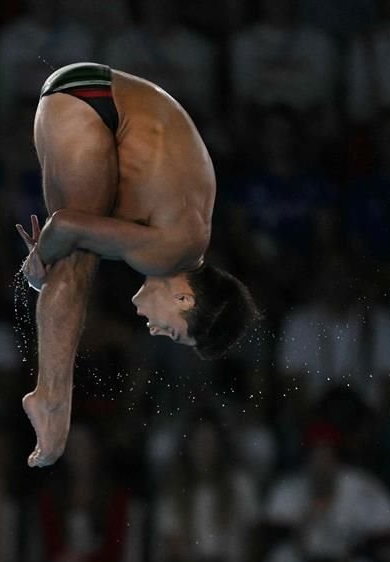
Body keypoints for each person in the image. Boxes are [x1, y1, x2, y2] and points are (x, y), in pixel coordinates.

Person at [16, 62, 258, 467]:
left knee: (74, 257)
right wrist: (43, 258)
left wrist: (47, 264)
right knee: (77, 261)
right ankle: (54, 401)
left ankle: (51, 395)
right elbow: (66, 226)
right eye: (176, 334)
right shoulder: (168, 252)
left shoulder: (187, 240)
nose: (157, 332)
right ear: (184, 298)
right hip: (91, 105)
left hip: (91, 100)